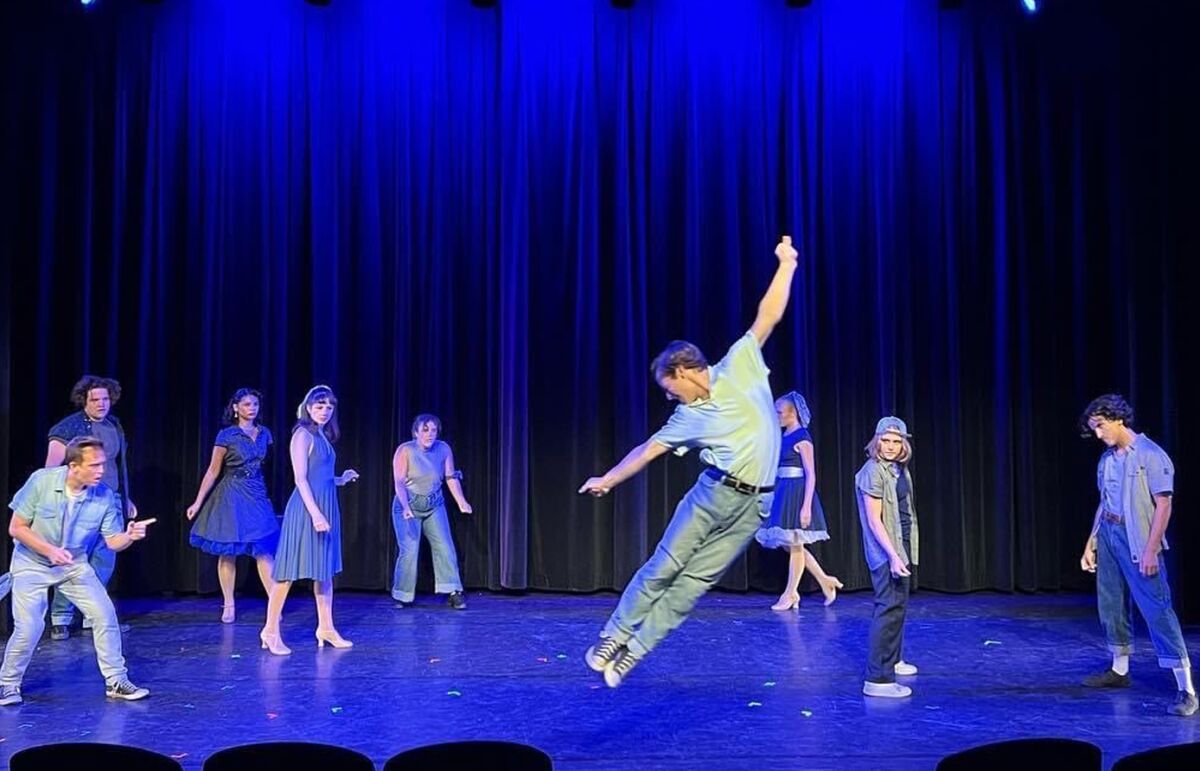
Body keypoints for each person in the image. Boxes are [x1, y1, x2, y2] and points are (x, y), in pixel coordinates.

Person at [578, 235, 799, 688]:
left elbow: (768, 315)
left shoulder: (739, 363)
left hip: (754, 505)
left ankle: (633, 652)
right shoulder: (686, 417)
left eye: (667, 385)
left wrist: (787, 264)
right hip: (712, 495)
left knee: (693, 583)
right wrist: (609, 478)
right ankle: (613, 636)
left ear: (683, 372)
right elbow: (648, 450)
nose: (667, 394)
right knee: (664, 567)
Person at [0, 437, 155, 706]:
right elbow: (17, 527)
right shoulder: (42, 482)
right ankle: (7, 684)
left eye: (103, 465)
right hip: (31, 564)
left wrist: (130, 535)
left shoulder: (105, 496)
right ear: (74, 466)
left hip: (73, 565)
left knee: (105, 615)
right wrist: (49, 550)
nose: (101, 471)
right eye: (94, 466)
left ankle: (116, 681)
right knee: (30, 626)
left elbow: (112, 542)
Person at [1078, 394, 1195, 716]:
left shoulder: (1150, 454)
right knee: (1111, 603)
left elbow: (1164, 505)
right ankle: (1119, 670)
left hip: (1138, 537)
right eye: (1094, 429)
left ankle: (1186, 689)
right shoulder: (1107, 460)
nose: (1098, 434)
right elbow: (1104, 502)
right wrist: (1091, 542)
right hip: (1110, 535)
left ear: (1117, 418)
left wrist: (1151, 548)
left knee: (1156, 610)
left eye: (1100, 426)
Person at [259, 386, 359, 655]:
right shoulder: (302, 435)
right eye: (319, 406)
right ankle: (270, 631)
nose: (324, 411)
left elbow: (321, 477)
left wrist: (340, 479)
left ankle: (326, 627)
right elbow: (301, 479)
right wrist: (315, 514)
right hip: (306, 510)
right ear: (308, 407)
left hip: (325, 507)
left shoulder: (322, 436)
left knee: (324, 571)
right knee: (287, 572)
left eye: (329, 407)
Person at [44, 375, 138, 641]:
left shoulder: (114, 425)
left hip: (109, 500)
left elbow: (115, 466)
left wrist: (125, 498)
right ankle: (60, 618)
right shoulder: (69, 427)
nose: (101, 404)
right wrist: (57, 500)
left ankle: (92, 615)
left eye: (105, 399)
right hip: (79, 501)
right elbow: (51, 468)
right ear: (84, 400)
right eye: (95, 399)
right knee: (72, 559)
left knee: (104, 560)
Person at [185, 388, 281, 623]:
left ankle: (274, 604)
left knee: (263, 550)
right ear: (236, 408)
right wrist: (198, 502)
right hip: (231, 494)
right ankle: (228, 603)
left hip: (256, 493)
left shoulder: (265, 433)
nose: (252, 408)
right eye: (247, 404)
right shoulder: (226, 435)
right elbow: (213, 470)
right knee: (228, 551)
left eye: (255, 404)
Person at [755, 391, 842, 610]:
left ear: (792, 413)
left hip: (797, 491)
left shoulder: (802, 436)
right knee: (791, 545)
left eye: (779, 412)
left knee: (795, 545)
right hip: (783, 490)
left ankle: (790, 593)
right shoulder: (784, 436)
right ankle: (824, 580)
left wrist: (806, 507)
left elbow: (811, 473)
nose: (776, 415)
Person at [856, 417, 920, 698]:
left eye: (897, 441)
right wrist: (893, 556)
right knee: (888, 607)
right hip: (886, 550)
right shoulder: (872, 471)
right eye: (886, 440)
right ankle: (878, 680)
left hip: (902, 544)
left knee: (898, 606)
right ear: (876, 440)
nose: (891, 446)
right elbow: (874, 520)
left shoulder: (898, 468)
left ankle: (892, 660)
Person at [391, 414, 471, 609]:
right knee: (409, 550)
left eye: (433, 430)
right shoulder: (405, 450)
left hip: (435, 505)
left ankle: (453, 591)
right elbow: (399, 483)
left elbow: (450, 477)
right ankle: (402, 595)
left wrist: (461, 501)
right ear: (416, 432)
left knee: (444, 545)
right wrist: (407, 508)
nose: (430, 434)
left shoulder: (443, 449)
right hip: (407, 504)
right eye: (425, 430)